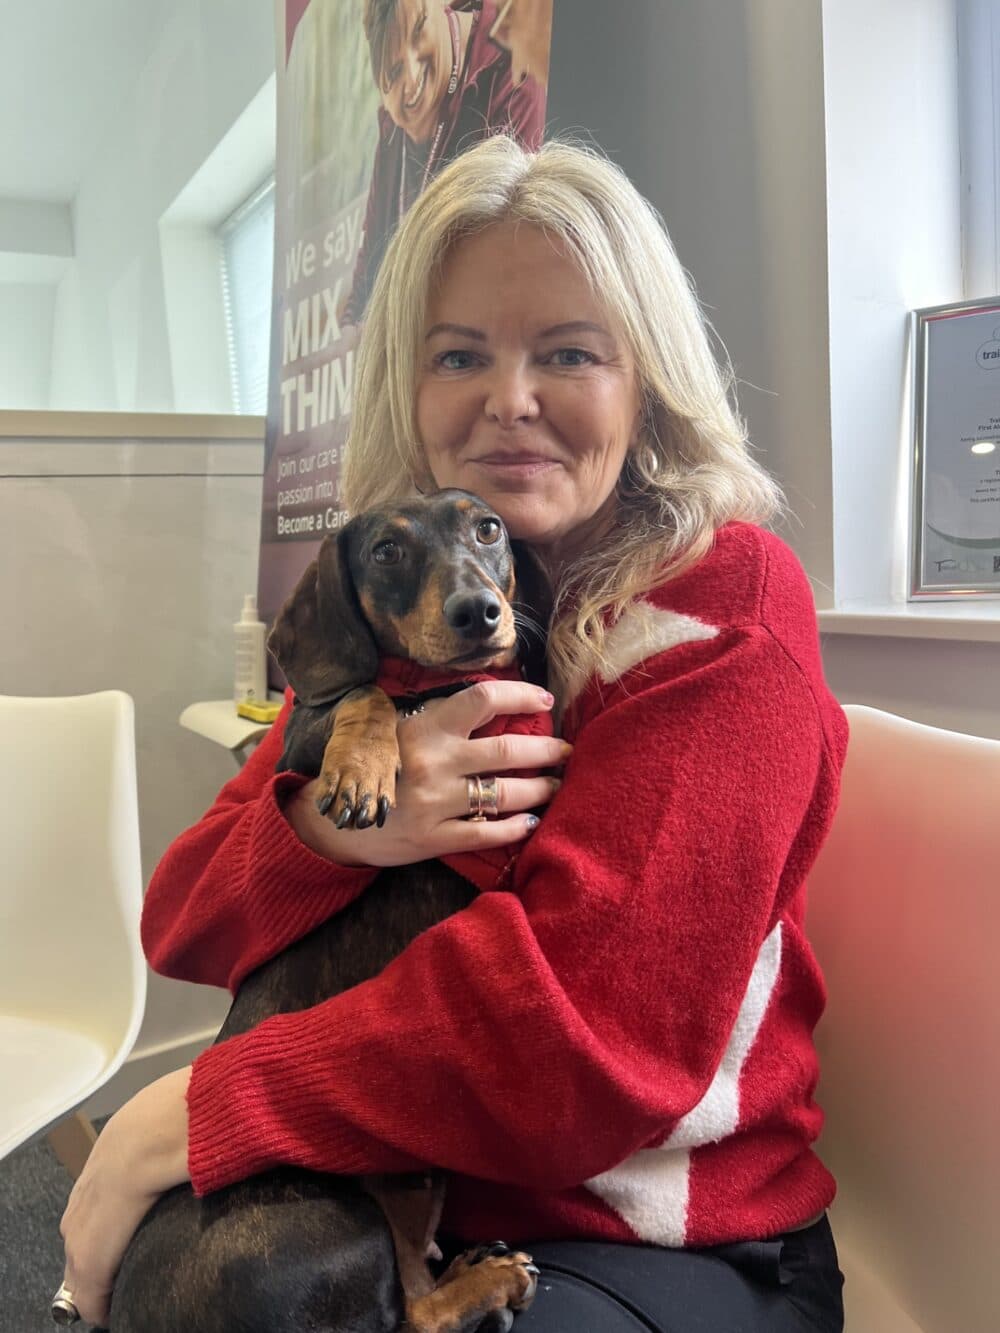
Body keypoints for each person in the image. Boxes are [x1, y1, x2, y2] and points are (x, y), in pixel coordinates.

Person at [57, 135, 847, 1332]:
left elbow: (586, 1054)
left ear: (649, 380)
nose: (507, 400)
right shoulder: (413, 626)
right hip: (398, 1189)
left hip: (646, 1225)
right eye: (458, 355)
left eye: (569, 352)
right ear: (408, 387)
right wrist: (341, 829)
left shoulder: (724, 609)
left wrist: (198, 1108)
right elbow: (182, 918)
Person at [343, 0, 546, 323]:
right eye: (393, 73)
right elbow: (368, 275)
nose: (410, 79)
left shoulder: (510, 69)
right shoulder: (393, 132)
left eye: (419, 29)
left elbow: (507, 250)